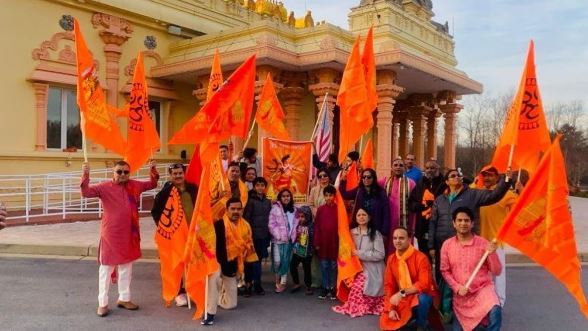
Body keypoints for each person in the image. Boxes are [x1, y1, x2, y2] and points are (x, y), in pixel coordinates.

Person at [80, 160, 159, 317]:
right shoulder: (104, 187)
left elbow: (152, 184)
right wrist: (86, 173)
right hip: (111, 235)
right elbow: (86, 192)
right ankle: (102, 303)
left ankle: (124, 298)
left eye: (126, 172)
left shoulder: (134, 185)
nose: (123, 174)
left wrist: (152, 168)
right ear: (113, 173)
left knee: (126, 267)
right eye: (119, 171)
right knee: (106, 269)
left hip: (129, 233)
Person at [428, 168, 511, 283]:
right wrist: (431, 245)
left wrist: (506, 181)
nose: (456, 177)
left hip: (465, 244)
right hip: (443, 244)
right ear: (447, 182)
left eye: (458, 175)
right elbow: (433, 222)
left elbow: (494, 196)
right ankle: (445, 301)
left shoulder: (472, 194)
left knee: (465, 276)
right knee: (444, 276)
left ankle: (465, 299)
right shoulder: (440, 200)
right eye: (453, 176)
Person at [440, 207, 502, 331]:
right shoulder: (447, 245)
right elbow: (444, 271)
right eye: (460, 220)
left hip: (482, 290)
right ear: (454, 223)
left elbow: (497, 271)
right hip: (461, 296)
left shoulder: (483, 243)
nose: (463, 223)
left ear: (472, 223)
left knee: (495, 309)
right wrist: (457, 288)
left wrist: (492, 253)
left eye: (466, 220)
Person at [202, 197, 258, 326]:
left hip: (231, 265)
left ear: (242, 210)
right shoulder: (218, 225)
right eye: (233, 209)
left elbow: (248, 250)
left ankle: (219, 295)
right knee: (214, 278)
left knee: (231, 305)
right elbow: (207, 245)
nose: (236, 211)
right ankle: (209, 313)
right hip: (215, 261)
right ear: (226, 210)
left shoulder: (246, 227)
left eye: (239, 209)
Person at [151, 163, 198, 307]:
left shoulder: (193, 189)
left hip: (193, 232)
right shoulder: (166, 192)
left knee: (193, 264)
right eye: (175, 174)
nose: (178, 176)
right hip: (175, 235)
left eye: (180, 173)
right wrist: (166, 230)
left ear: (184, 174)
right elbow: (156, 212)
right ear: (171, 175)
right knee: (177, 264)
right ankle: (179, 292)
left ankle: (192, 290)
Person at [380, 227, 438, 331]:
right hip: (403, 297)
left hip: (421, 294)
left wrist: (401, 293)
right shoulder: (391, 259)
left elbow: (424, 284)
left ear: (409, 239)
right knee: (387, 324)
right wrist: (391, 308)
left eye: (401, 238)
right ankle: (410, 320)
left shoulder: (421, 257)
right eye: (395, 238)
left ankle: (422, 325)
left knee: (423, 299)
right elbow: (389, 286)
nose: (397, 241)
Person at [333, 208, 385, 317]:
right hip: (355, 268)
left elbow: (380, 254)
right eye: (359, 215)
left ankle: (369, 305)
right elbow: (345, 250)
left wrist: (359, 253)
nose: (361, 217)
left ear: (369, 217)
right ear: (355, 218)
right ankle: (362, 305)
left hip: (372, 269)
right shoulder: (351, 233)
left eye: (364, 215)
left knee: (360, 287)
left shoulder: (375, 234)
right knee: (355, 287)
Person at [478, 166, 517, 307]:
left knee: (498, 274)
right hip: (479, 242)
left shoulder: (507, 194)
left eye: (490, 175)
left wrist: (521, 189)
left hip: (496, 241)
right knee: (481, 274)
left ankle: (499, 303)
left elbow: (519, 210)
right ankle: (484, 302)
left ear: (497, 177)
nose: (486, 178)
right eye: (484, 175)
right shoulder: (478, 192)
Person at [339, 168, 391, 238]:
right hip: (361, 227)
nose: (366, 179)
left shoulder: (381, 192)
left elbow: (386, 211)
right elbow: (344, 195)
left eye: (369, 177)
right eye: (364, 177)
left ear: (373, 178)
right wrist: (343, 181)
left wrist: (384, 231)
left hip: (376, 228)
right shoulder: (359, 190)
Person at [243, 177, 272, 296]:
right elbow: (246, 219)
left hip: (263, 236)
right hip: (252, 236)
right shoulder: (250, 201)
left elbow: (270, 219)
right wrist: (247, 235)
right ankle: (248, 285)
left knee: (258, 261)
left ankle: (258, 284)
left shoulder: (267, 201)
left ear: (265, 187)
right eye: (258, 185)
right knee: (249, 262)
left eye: (262, 185)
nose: (260, 187)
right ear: (254, 187)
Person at [380, 158, 417, 252]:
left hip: (404, 223)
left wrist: (412, 226)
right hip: (388, 223)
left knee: (404, 249)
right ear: (391, 168)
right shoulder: (384, 182)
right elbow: (368, 184)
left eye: (401, 165)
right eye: (395, 165)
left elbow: (414, 206)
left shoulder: (411, 183)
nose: (398, 167)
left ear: (404, 168)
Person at [411, 160, 447, 256]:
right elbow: (411, 202)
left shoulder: (445, 183)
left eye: (432, 168)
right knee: (424, 255)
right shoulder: (420, 183)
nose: (429, 170)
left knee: (441, 256)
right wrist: (419, 206)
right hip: (423, 225)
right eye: (427, 168)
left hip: (440, 225)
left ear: (438, 169)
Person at [268, 188, 298, 293]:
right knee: (277, 261)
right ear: (280, 198)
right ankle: (277, 279)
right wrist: (279, 236)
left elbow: (296, 225)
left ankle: (282, 283)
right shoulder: (275, 209)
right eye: (284, 196)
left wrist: (294, 237)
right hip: (278, 240)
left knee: (285, 261)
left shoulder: (294, 210)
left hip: (289, 241)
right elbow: (271, 225)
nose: (286, 198)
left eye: (288, 196)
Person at [313, 185, 339, 300]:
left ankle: (333, 288)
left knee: (333, 266)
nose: (329, 198)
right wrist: (316, 242)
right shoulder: (321, 209)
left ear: (334, 196)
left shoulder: (339, 209)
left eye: (331, 195)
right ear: (324, 196)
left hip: (334, 242)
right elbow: (317, 226)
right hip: (323, 242)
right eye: (326, 195)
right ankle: (324, 287)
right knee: (324, 266)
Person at [289, 205, 314, 295]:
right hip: (297, 251)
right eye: (299, 216)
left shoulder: (311, 226)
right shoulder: (297, 225)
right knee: (292, 266)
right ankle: (296, 283)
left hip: (307, 252)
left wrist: (311, 250)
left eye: (302, 216)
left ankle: (308, 286)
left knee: (307, 269)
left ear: (307, 216)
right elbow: (294, 236)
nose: (300, 218)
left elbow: (313, 239)